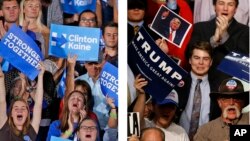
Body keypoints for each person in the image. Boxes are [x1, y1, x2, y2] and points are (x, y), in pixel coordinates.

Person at [186, 0, 249, 91]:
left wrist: (224, 37)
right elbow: (189, 55)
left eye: (230, 4)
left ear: (235, 9)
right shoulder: (199, 28)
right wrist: (213, 41)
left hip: (228, 91)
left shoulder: (245, 31)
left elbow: (243, 67)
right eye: (221, 3)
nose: (225, 8)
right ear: (214, 6)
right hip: (198, 87)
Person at [177, 41, 217, 140]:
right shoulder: (177, 82)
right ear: (190, 60)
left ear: (211, 62)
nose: (201, 63)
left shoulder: (217, 87)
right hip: (178, 137)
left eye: (206, 59)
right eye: (196, 58)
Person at [133, 74, 189, 141]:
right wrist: (141, 94)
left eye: (171, 107)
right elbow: (135, 119)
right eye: (162, 106)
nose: (167, 110)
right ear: (153, 107)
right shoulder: (144, 124)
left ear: (175, 111)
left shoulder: (180, 132)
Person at [0, 63, 45, 140]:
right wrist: (1, 78)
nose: (19, 110)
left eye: (23, 108)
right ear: (11, 113)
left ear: (28, 113)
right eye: (16, 108)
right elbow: (2, 102)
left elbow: (38, 104)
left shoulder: (31, 130)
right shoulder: (4, 127)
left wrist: (40, 76)